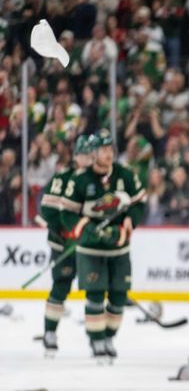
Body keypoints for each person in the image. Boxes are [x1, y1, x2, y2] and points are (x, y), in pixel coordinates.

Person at [60, 129, 146, 361]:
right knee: (95, 295)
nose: (108, 154)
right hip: (91, 250)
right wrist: (85, 230)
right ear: (93, 153)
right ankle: (96, 340)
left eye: (110, 149)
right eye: (103, 150)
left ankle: (108, 336)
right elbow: (67, 213)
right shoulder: (80, 180)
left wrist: (130, 220)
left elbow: (139, 202)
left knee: (119, 296)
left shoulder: (125, 175)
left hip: (119, 247)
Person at [37, 135, 95, 354]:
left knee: (94, 289)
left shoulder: (100, 180)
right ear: (76, 156)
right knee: (61, 285)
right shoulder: (62, 178)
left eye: (91, 155)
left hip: (89, 246)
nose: (88, 159)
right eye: (84, 155)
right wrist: (66, 232)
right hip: (64, 244)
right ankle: (50, 332)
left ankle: (96, 337)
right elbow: (48, 210)